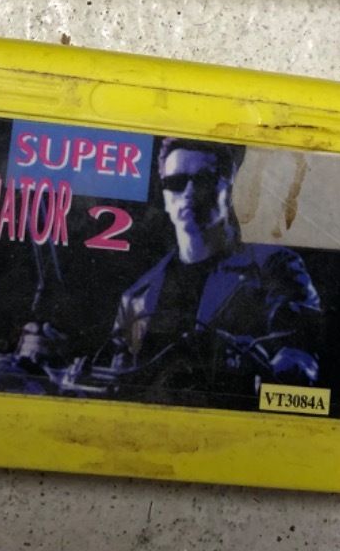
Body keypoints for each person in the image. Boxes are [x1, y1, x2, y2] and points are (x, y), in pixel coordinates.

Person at [105, 138, 322, 408]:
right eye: (176, 182)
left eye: (204, 179)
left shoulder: (274, 266)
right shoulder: (136, 297)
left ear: (231, 189)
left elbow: (301, 354)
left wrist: (270, 377)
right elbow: (118, 385)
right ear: (165, 196)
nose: (189, 193)